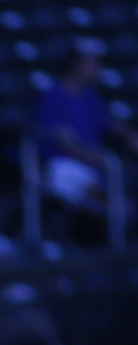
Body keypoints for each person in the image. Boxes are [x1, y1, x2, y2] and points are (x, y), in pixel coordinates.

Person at [32, 42, 138, 228]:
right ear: (75, 64)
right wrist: (98, 160)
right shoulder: (54, 95)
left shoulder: (90, 97)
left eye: (97, 64)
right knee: (78, 176)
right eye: (90, 63)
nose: (96, 68)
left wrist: (131, 135)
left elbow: (108, 123)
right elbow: (65, 143)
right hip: (59, 165)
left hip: (94, 163)